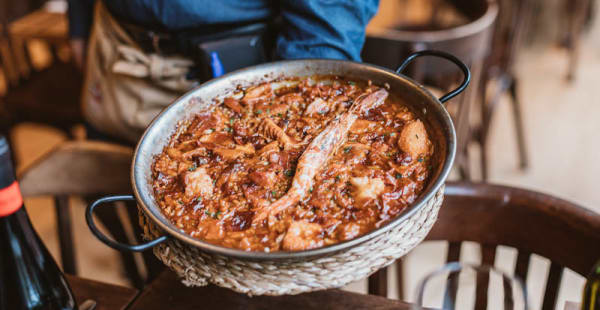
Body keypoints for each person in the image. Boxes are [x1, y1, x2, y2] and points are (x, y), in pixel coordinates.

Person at [68, 0, 380, 143]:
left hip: (255, 70)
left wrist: (306, 113)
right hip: (117, 51)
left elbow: (329, 20)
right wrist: (79, 25)